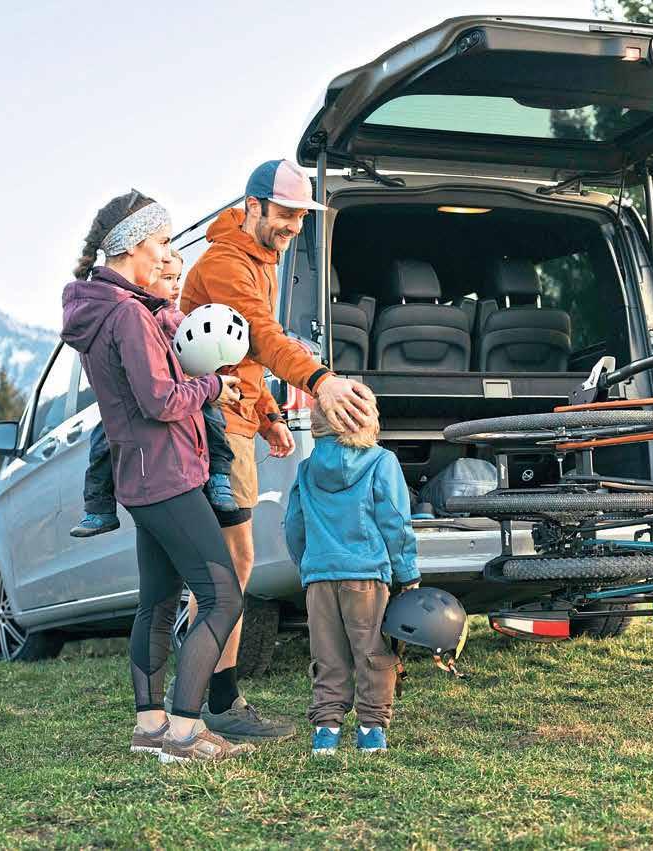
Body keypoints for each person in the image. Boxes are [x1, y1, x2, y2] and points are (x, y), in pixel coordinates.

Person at [175, 159, 376, 742]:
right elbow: (263, 337)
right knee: (227, 566)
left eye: (301, 216)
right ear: (254, 206)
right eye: (286, 213)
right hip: (214, 426)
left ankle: (207, 696)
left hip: (235, 419)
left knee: (225, 565)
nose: (294, 225)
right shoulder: (226, 265)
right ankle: (214, 700)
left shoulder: (260, 259)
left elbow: (239, 353)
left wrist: (267, 417)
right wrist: (320, 381)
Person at [60, 189, 251, 763]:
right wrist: (213, 386)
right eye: (162, 242)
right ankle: (185, 732)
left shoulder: (107, 310)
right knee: (222, 598)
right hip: (167, 476)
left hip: (141, 477)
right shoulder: (127, 316)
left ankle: (150, 727)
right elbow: (161, 400)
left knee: (159, 601)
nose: (168, 254)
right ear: (133, 245)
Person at [283, 399, 419, 755]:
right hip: (366, 576)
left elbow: (294, 524)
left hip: (319, 577)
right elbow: (395, 520)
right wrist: (407, 572)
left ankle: (326, 731)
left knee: (327, 652)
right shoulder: (381, 461)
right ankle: (371, 730)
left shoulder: (307, 468)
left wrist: (309, 563)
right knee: (373, 651)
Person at [71, 249, 236, 538]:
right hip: (145, 407)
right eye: (167, 278)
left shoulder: (177, 318)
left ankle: (219, 477)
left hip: (189, 393)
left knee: (214, 421)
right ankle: (98, 506)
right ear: (145, 280)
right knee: (103, 438)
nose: (176, 286)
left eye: (178, 278)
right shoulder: (132, 316)